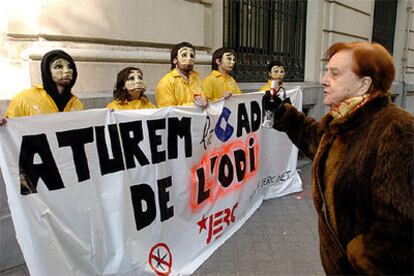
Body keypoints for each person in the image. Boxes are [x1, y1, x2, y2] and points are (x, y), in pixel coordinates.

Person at [262, 42, 413, 275]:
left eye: (334, 73)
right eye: (326, 71)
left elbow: (400, 232)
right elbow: (318, 142)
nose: (323, 79)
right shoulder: (346, 120)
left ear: (364, 84)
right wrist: (284, 113)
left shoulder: (398, 131)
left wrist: (356, 261)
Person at [0, 50, 83, 125]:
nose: (67, 71)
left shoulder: (76, 103)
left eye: (70, 67)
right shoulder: (24, 99)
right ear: (47, 71)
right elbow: (11, 132)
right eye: (58, 66)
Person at [155, 41, 207, 108]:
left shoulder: (197, 80)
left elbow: (204, 99)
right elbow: (168, 110)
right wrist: (194, 105)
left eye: (192, 56)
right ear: (175, 60)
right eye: (184, 55)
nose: (189, 59)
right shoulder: (166, 82)